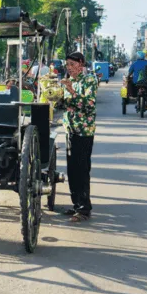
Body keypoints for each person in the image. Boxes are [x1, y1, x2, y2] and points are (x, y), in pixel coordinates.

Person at [61, 52, 99, 222]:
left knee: (82, 170)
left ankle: (84, 209)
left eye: (72, 64)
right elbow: (65, 103)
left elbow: (89, 104)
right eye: (67, 65)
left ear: (81, 64)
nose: (69, 68)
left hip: (84, 131)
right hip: (70, 129)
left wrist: (70, 91)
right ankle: (76, 204)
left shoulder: (89, 80)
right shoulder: (68, 81)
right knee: (72, 170)